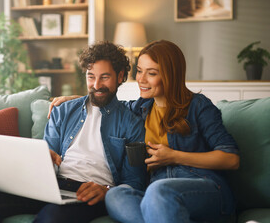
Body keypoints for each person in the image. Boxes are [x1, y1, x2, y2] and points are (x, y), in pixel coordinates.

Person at [49, 40, 240, 223]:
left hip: (202, 187)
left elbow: (231, 158)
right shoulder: (140, 108)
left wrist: (174, 156)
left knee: (159, 190)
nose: (141, 79)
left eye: (152, 73)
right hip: (155, 195)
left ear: (170, 75)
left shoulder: (198, 106)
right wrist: (75, 100)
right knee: (115, 195)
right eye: (140, 71)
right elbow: (106, 101)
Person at [0, 41, 146, 223]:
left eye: (105, 77)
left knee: (51, 218)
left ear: (120, 76)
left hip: (90, 193)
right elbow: (48, 157)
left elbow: (135, 182)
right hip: (51, 185)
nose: (96, 84)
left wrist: (106, 190)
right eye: (91, 76)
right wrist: (44, 160)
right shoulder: (63, 110)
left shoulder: (132, 123)